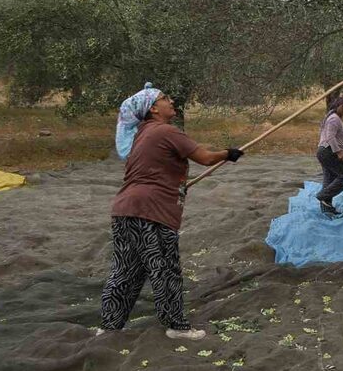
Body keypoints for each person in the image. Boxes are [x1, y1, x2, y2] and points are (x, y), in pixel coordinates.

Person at [99, 83, 243, 341]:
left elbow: (156, 169)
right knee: (164, 268)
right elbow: (206, 158)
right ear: (153, 108)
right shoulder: (166, 131)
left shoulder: (142, 134)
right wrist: (229, 154)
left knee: (126, 270)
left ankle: (109, 326)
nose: (171, 101)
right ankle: (176, 326)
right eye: (165, 98)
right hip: (151, 213)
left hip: (124, 211)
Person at [317, 96, 343, 216]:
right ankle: (322, 196)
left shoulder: (335, 118)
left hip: (325, 152)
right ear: (337, 106)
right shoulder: (334, 119)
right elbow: (330, 137)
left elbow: (335, 137)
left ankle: (326, 209)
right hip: (328, 152)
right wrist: (339, 152)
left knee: (329, 180)